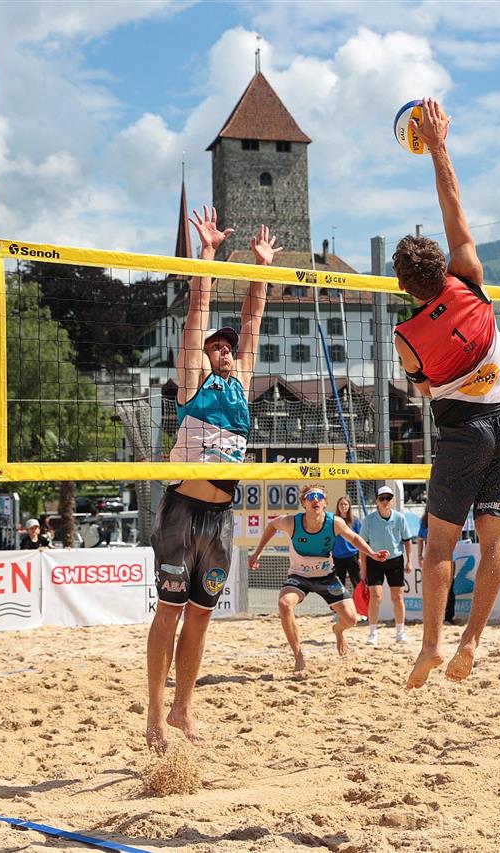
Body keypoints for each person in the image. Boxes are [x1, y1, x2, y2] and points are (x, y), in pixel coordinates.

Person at [391, 98, 500, 688]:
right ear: (443, 266)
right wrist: (439, 146)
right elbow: (452, 203)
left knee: (439, 546)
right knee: (495, 538)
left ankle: (430, 646)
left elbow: (424, 390)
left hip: (463, 433)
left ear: (405, 287)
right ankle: (471, 640)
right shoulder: (469, 276)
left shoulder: (406, 336)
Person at [146, 207, 279, 752]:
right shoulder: (190, 381)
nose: (224, 350)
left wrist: (261, 267)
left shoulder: (241, 381)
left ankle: (183, 708)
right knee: (169, 612)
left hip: (220, 517)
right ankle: (155, 714)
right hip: (182, 511)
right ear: (202, 355)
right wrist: (207, 254)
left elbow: (253, 318)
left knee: (200, 618)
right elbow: (198, 310)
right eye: (215, 347)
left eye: (227, 347)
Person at [248, 484, 388, 672]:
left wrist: (372, 553)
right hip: (299, 577)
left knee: (351, 619)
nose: (315, 499)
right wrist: (257, 552)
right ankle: (298, 656)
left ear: (325, 503)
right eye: (310, 496)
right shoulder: (292, 522)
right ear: (304, 503)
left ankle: (338, 630)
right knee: (284, 604)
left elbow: (354, 537)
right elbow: (272, 526)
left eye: (319, 496)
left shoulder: (334, 522)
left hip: (326, 577)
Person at [361, 486, 416, 646]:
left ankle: (400, 633)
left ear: (392, 501)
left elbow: (407, 541)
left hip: (395, 561)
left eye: (388, 498)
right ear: (377, 501)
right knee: (375, 596)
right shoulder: (369, 520)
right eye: (382, 498)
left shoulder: (400, 518)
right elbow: (363, 545)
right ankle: (373, 633)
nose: (385, 501)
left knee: (397, 597)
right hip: (375, 560)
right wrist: (363, 567)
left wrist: (409, 561)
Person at [331, 495, 363, 595]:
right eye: (341, 504)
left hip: (352, 556)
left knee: (357, 582)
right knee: (338, 584)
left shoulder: (355, 521)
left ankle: (359, 602)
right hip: (337, 557)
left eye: (345, 504)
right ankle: (339, 603)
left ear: (349, 506)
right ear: (338, 506)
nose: (343, 506)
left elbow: (361, 540)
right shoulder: (333, 521)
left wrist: (360, 558)